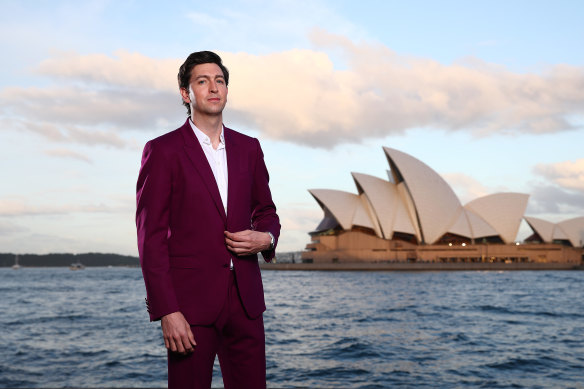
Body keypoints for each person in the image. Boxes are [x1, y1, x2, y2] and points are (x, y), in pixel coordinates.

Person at [136, 50, 280, 389]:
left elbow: (266, 210)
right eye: (203, 81)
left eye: (220, 81)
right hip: (189, 308)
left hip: (246, 303)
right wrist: (166, 310)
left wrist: (267, 239)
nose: (213, 87)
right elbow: (150, 237)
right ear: (186, 94)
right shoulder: (163, 150)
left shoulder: (250, 148)